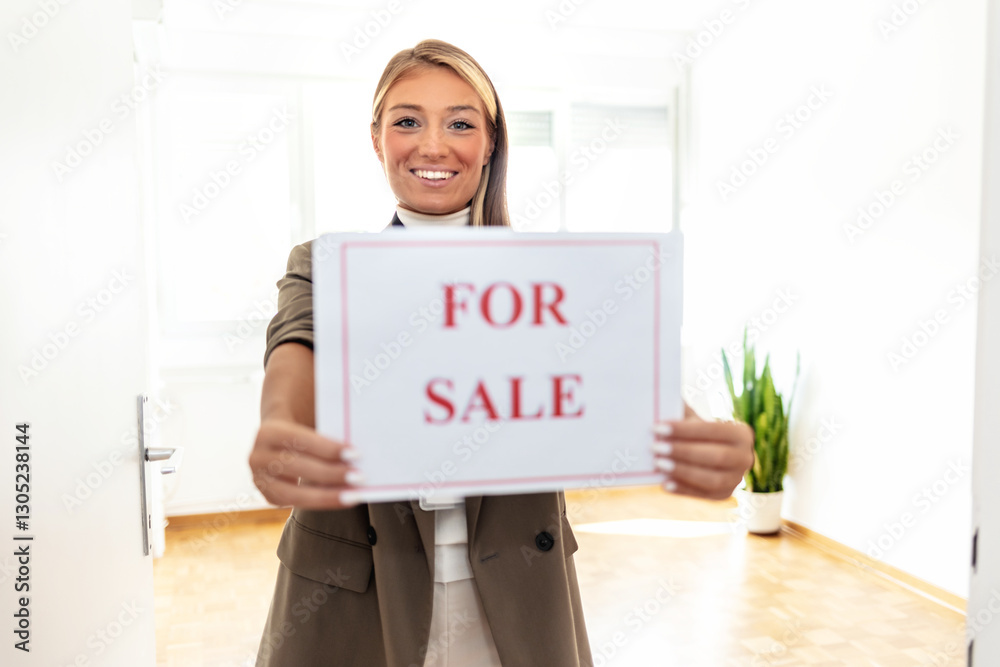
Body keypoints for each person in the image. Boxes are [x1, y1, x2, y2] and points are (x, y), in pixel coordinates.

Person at [249, 39, 755, 667]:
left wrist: (700, 440)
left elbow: (622, 374)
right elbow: (296, 344)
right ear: (376, 138)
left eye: (460, 123)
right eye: (408, 120)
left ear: (489, 143)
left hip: (518, 592)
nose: (433, 145)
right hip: (358, 595)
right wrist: (281, 423)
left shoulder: (546, 276)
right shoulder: (326, 264)